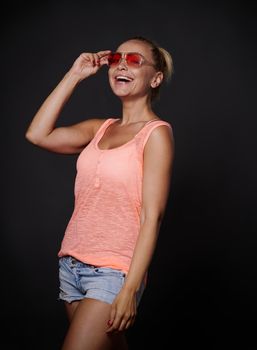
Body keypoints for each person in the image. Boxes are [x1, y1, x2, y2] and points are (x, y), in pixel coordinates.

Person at [25, 35, 175, 349]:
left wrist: (130, 289)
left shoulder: (156, 134)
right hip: (71, 264)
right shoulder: (100, 128)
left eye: (134, 60)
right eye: (116, 58)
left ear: (156, 78)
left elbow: (152, 216)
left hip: (113, 272)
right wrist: (75, 74)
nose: (121, 64)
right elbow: (37, 134)